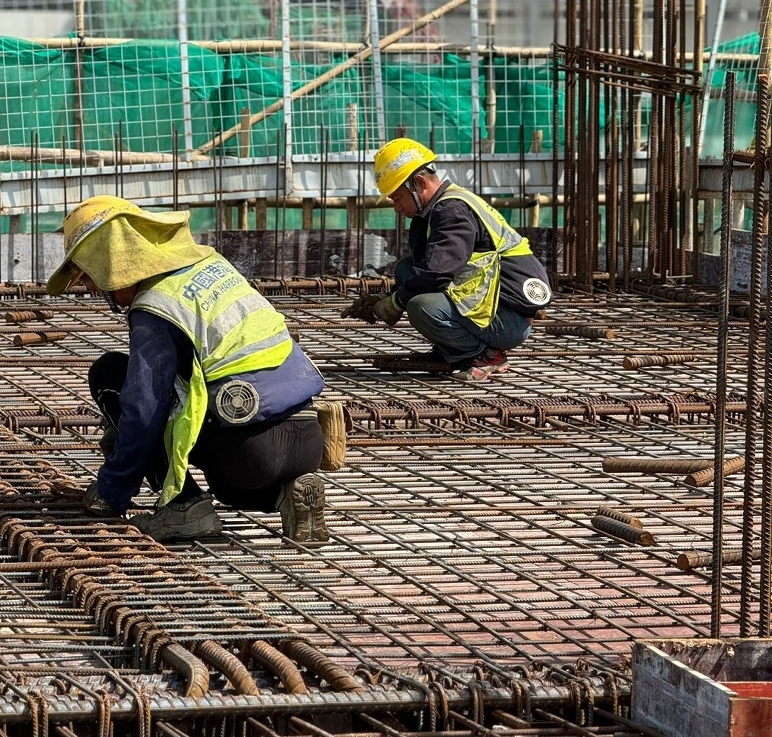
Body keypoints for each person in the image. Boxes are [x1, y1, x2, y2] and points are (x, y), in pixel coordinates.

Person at [46, 195, 330, 545]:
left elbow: (144, 412)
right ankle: (287, 493)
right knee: (226, 487)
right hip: (307, 440)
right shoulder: (208, 262)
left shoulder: (157, 306)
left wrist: (113, 487)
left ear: (112, 263)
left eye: (90, 277)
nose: (92, 289)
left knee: (112, 377)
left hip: (249, 449)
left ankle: (184, 506)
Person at [342, 137, 552, 381]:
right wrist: (386, 297)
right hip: (490, 306)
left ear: (420, 183)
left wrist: (394, 303)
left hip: (507, 319)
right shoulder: (432, 212)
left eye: (397, 198)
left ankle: (484, 355)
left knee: (422, 306)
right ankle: (452, 350)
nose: (396, 207)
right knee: (406, 269)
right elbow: (425, 270)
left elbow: (436, 274)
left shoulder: (451, 211)